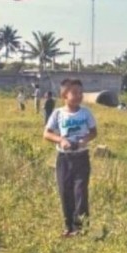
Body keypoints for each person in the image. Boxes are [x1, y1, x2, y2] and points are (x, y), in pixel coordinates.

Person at [43, 79, 98, 237]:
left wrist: (84, 141)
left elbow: (93, 132)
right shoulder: (58, 113)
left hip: (81, 157)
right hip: (64, 158)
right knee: (65, 192)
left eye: (81, 92)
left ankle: (81, 228)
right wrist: (61, 140)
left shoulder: (86, 113)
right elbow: (47, 133)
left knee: (80, 191)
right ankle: (69, 227)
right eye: (74, 93)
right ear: (64, 95)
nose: (79, 96)